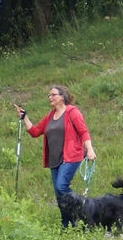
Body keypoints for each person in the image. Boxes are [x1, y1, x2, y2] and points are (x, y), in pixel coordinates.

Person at [15, 85, 96, 228]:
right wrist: (24, 118)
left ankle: (86, 209)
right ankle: (68, 225)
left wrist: (90, 150)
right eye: (49, 95)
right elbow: (35, 132)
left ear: (62, 96)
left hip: (71, 156)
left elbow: (84, 132)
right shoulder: (49, 116)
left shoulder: (73, 112)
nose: (50, 97)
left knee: (61, 186)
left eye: (53, 95)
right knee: (59, 194)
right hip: (54, 159)